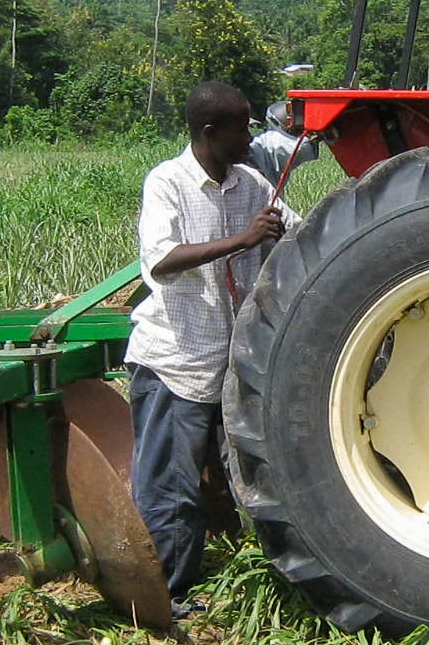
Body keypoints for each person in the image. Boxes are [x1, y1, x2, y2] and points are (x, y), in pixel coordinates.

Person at [125, 81, 301, 618]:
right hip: (176, 362)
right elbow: (160, 261)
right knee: (172, 490)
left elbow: (299, 231)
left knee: (246, 479)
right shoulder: (168, 183)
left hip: (232, 366)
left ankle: (238, 576)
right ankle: (163, 599)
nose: (250, 135)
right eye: (241, 126)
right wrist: (243, 241)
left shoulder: (250, 182)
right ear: (209, 133)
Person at [246, 100, 319, 186]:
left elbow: (285, 146)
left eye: (246, 129)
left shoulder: (256, 150)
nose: (247, 136)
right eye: (238, 131)